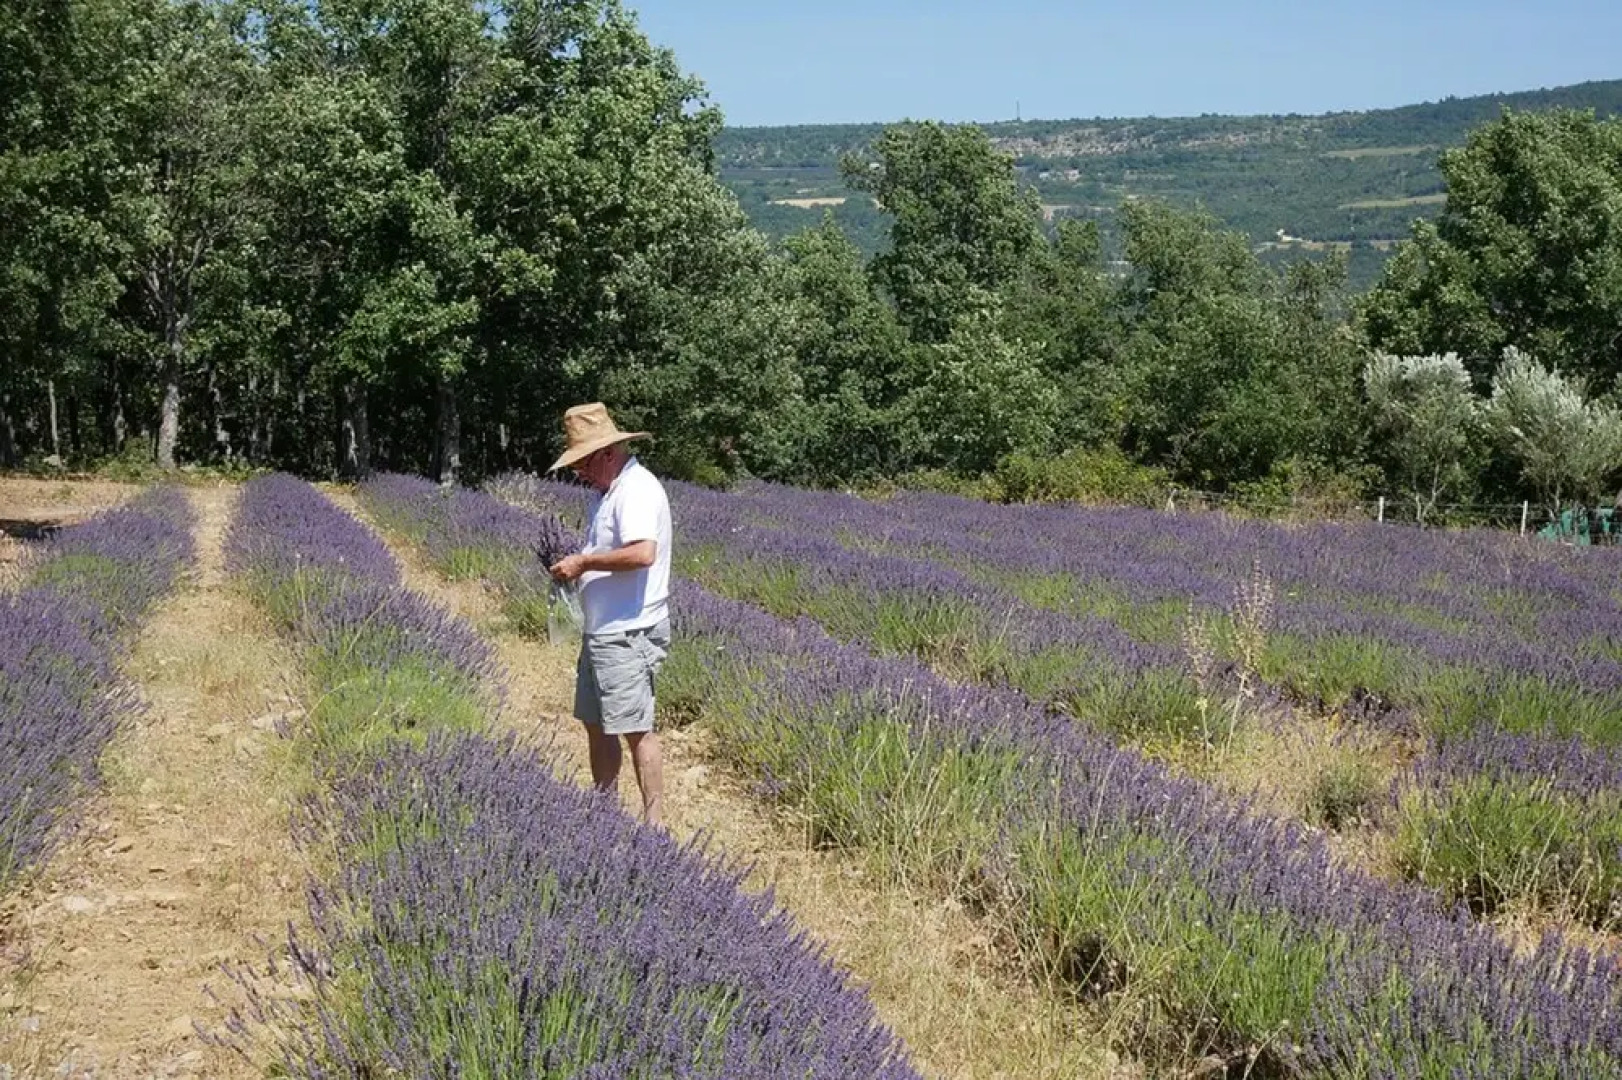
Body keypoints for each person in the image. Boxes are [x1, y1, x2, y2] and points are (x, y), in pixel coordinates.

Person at [546, 402, 672, 826]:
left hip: (628, 633)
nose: (578, 471)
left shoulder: (636, 490)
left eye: (582, 461)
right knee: (596, 725)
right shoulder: (608, 492)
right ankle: (604, 818)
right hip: (603, 632)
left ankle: (654, 828)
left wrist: (583, 565)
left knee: (636, 729)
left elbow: (642, 553)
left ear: (606, 452)